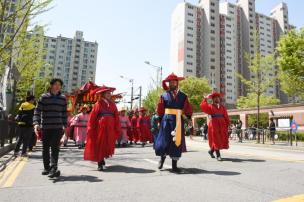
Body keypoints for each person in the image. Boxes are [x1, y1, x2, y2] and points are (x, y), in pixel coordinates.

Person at [155, 73, 193, 173]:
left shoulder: (183, 96)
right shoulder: (163, 95)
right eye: (171, 82)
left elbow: (187, 108)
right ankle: (162, 159)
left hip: (178, 121)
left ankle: (174, 166)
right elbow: (160, 108)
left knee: (176, 141)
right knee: (164, 141)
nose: (172, 84)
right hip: (166, 120)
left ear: (177, 83)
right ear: (169, 84)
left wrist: (188, 119)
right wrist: (159, 120)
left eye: (174, 82)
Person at [33, 78, 67, 178]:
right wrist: (36, 123)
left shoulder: (63, 98)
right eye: (56, 84)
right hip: (46, 127)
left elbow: (64, 114)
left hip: (58, 127)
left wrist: (65, 127)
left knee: (55, 148)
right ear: (51, 85)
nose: (57, 86)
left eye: (59, 85)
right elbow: (37, 111)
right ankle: (46, 167)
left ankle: (53, 168)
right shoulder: (44, 97)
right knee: (45, 148)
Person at [84, 85, 121, 171]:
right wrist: (90, 127)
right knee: (100, 144)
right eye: (107, 93)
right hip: (100, 127)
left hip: (110, 127)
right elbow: (92, 117)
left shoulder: (113, 104)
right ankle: (100, 163)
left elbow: (116, 116)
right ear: (103, 94)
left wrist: (117, 127)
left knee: (107, 144)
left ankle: (102, 160)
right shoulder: (98, 104)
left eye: (109, 93)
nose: (109, 94)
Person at [200, 92, 230, 161]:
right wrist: (206, 98)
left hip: (222, 125)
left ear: (220, 99)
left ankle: (211, 151)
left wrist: (228, 124)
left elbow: (226, 116)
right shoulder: (210, 106)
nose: (217, 99)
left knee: (220, 139)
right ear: (213, 99)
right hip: (214, 125)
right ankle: (218, 155)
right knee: (216, 139)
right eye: (215, 98)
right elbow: (203, 106)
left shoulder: (222, 107)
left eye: (218, 98)